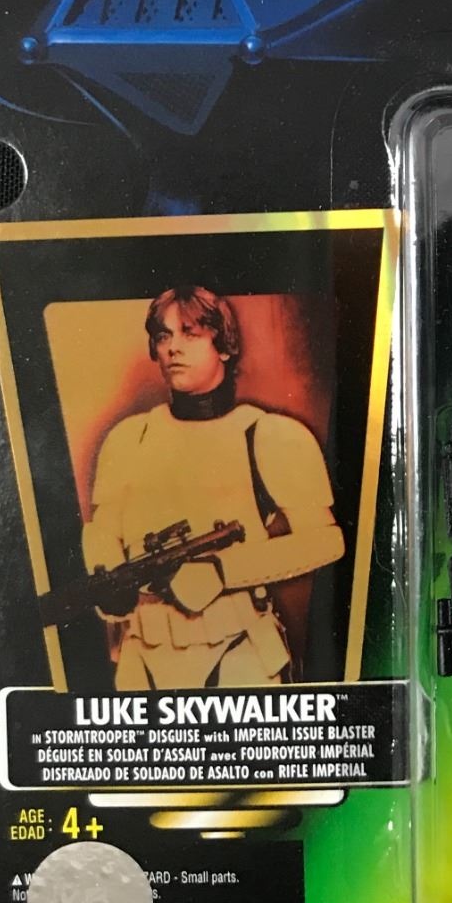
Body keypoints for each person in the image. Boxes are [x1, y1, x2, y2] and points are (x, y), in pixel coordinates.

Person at [82, 285, 344, 689]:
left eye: (190, 333)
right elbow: (102, 530)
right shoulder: (130, 438)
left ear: (223, 346)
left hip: (238, 650)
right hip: (143, 653)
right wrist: (108, 578)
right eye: (164, 336)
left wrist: (223, 571)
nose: (173, 348)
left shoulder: (267, 435)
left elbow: (326, 541)